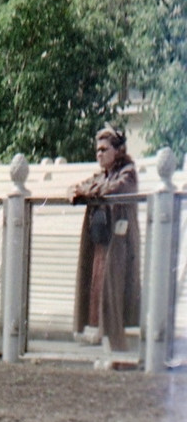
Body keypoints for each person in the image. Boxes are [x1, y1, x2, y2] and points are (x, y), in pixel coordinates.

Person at [71, 126, 140, 351]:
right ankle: (103, 341)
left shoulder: (128, 172)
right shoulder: (101, 176)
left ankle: (118, 347)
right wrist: (82, 190)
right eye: (97, 150)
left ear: (118, 150)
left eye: (104, 149)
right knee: (97, 287)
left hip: (120, 243)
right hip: (102, 241)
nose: (99, 154)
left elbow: (116, 189)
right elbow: (78, 187)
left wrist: (91, 191)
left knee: (115, 289)